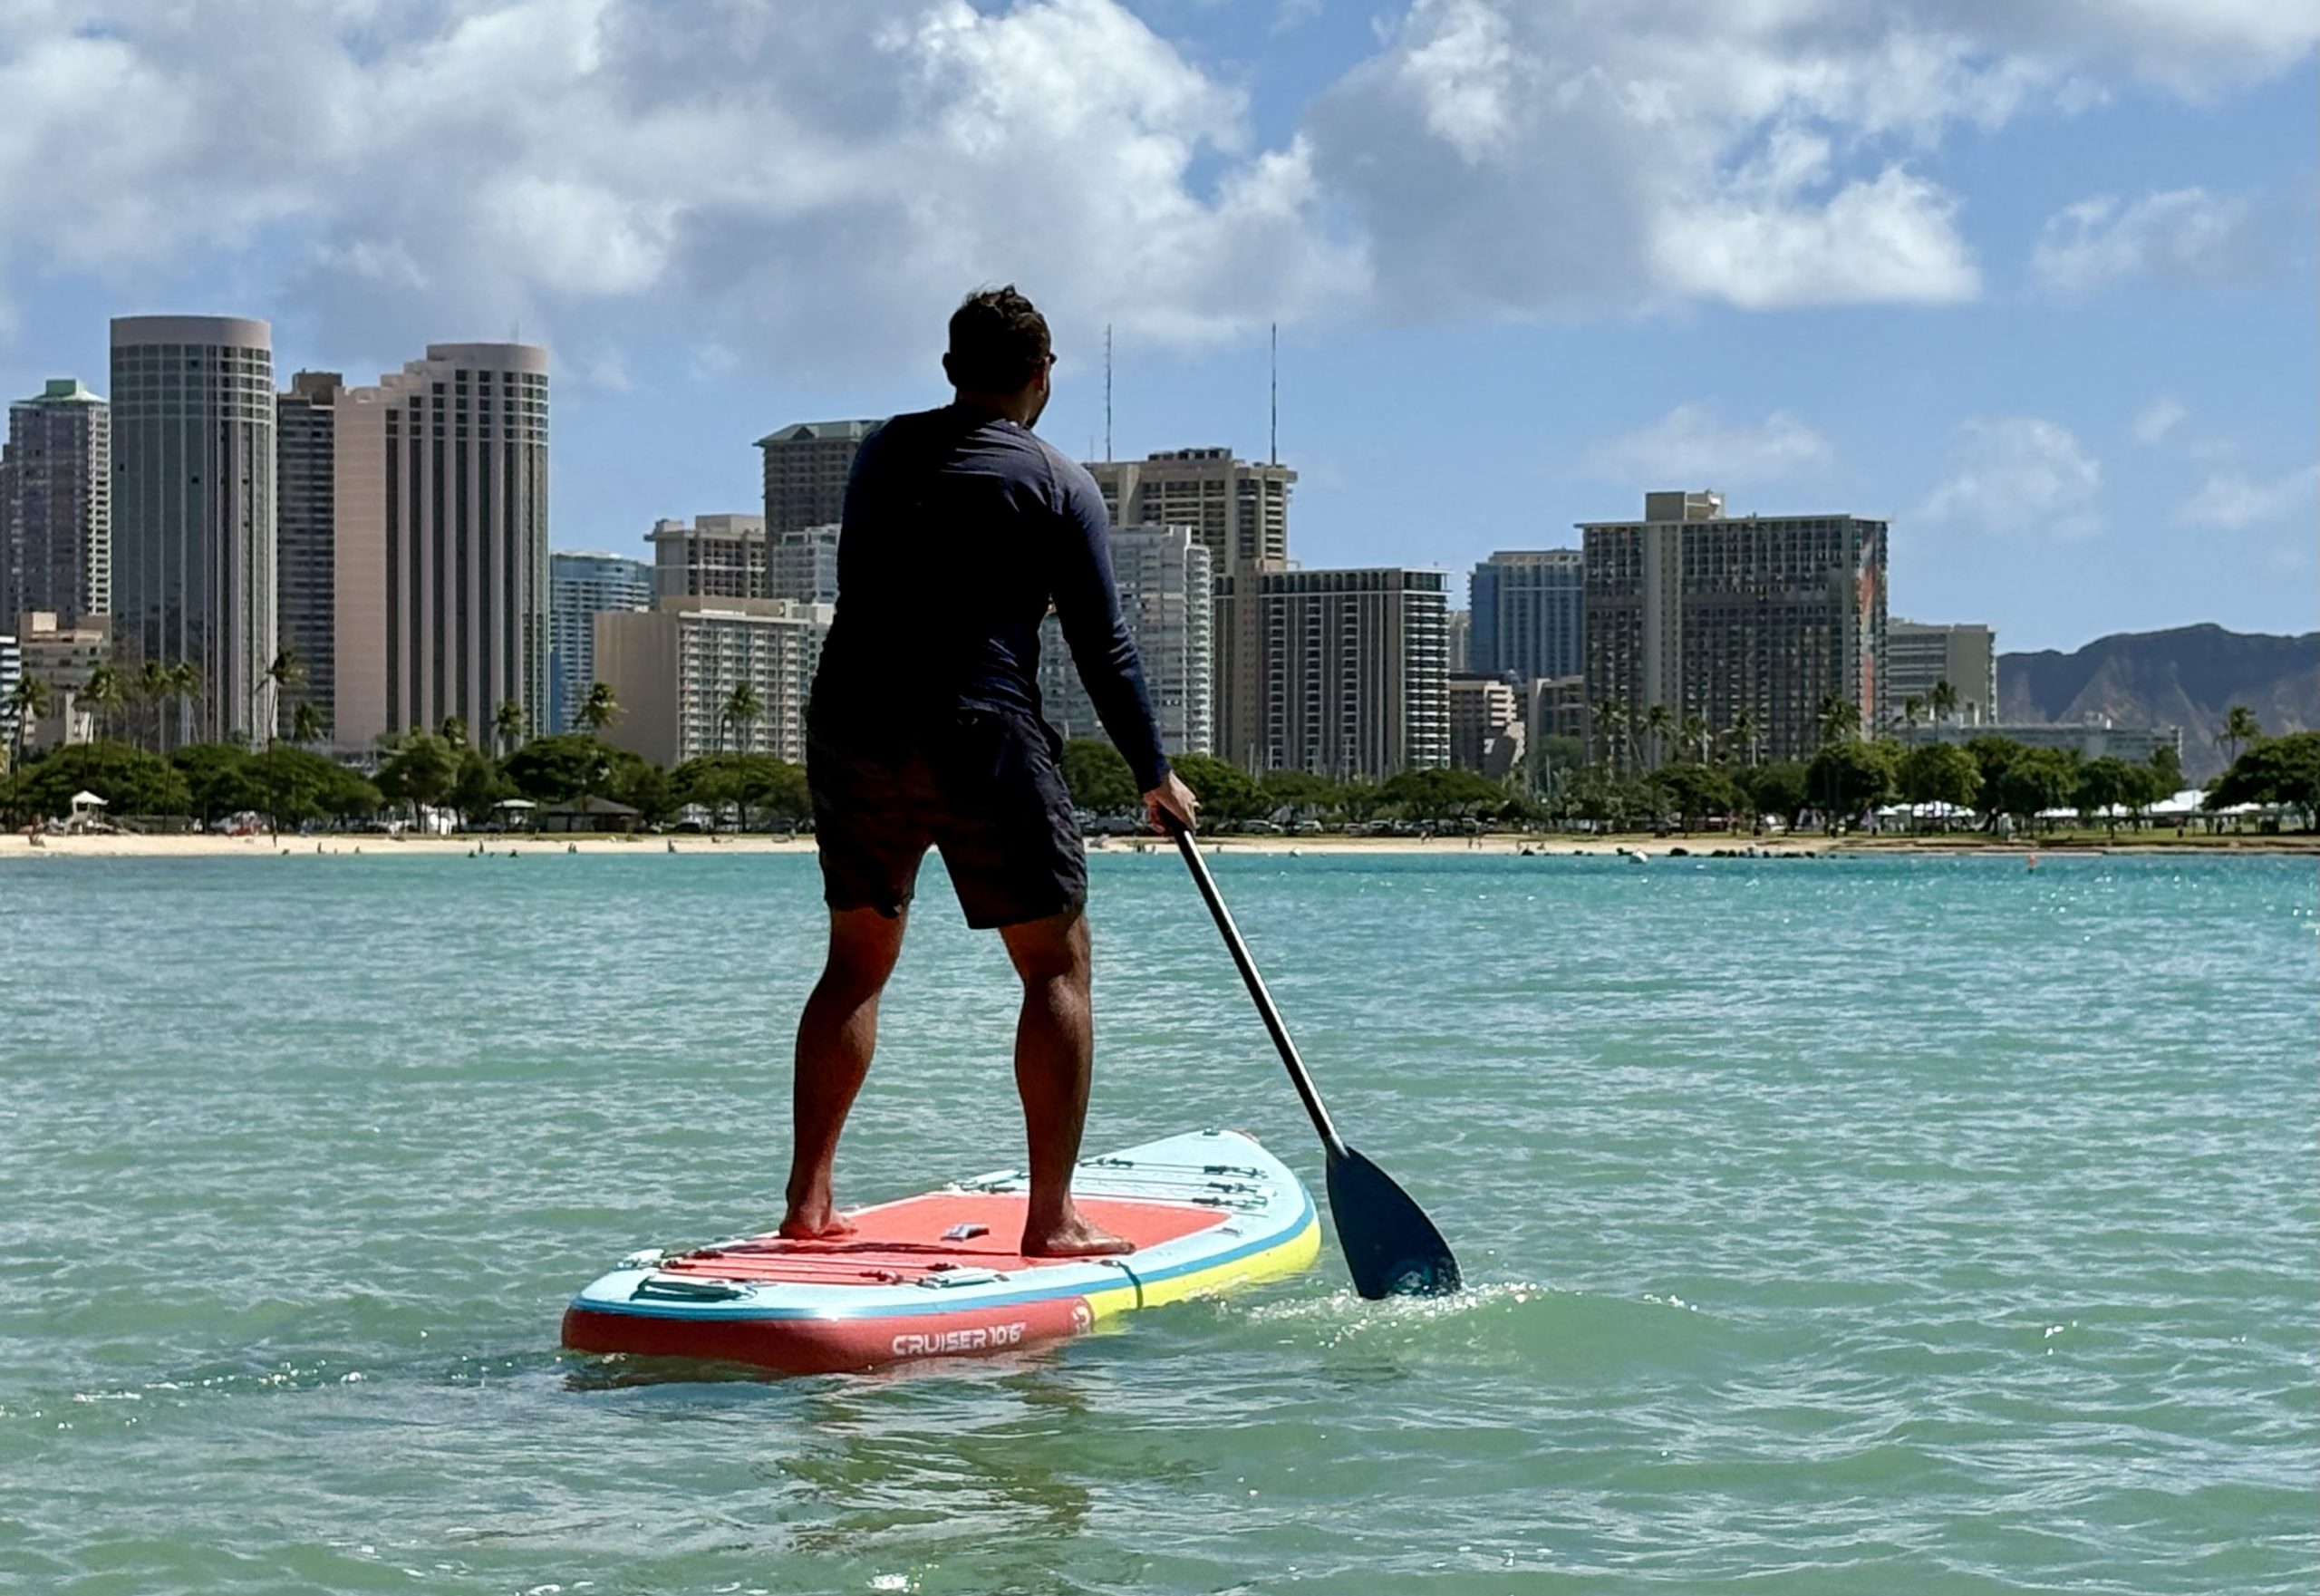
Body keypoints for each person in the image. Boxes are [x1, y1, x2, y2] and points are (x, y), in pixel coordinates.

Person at [785, 285, 1201, 1258]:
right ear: (1042, 374)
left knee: (854, 962)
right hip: (980, 733)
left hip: (854, 721)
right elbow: (1105, 646)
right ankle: (1051, 1221)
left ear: (949, 370)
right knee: (1054, 963)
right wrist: (1154, 772)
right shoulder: (1059, 485)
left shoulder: (882, 449)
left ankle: (807, 1204)